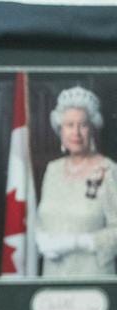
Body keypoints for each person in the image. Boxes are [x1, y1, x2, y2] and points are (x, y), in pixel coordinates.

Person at [36, 86, 117, 277]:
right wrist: (39, 237)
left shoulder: (108, 171)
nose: (76, 132)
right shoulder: (52, 169)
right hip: (53, 275)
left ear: (93, 128)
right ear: (60, 130)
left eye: (83, 125)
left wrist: (78, 242)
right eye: (69, 125)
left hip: (93, 278)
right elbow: (41, 218)